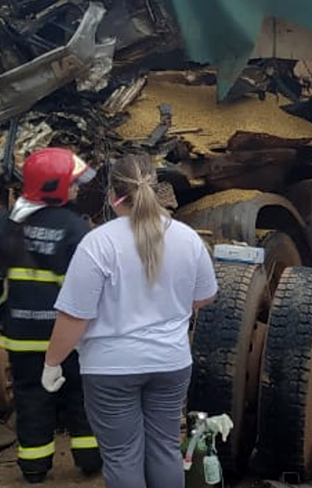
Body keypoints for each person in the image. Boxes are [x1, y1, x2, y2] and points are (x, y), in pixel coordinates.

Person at [42, 153, 217, 488]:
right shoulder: (187, 238)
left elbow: (75, 315)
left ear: (112, 195)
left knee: (123, 455)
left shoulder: (98, 243)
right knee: (165, 449)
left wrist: (53, 362)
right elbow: (205, 296)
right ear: (156, 189)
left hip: (110, 370)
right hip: (170, 363)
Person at [0, 147, 101, 482]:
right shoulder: (75, 229)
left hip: (20, 335)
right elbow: (86, 288)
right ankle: (90, 458)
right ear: (54, 186)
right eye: (71, 183)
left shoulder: (8, 223)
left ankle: (33, 466)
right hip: (65, 336)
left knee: (30, 397)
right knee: (80, 393)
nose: (76, 189)